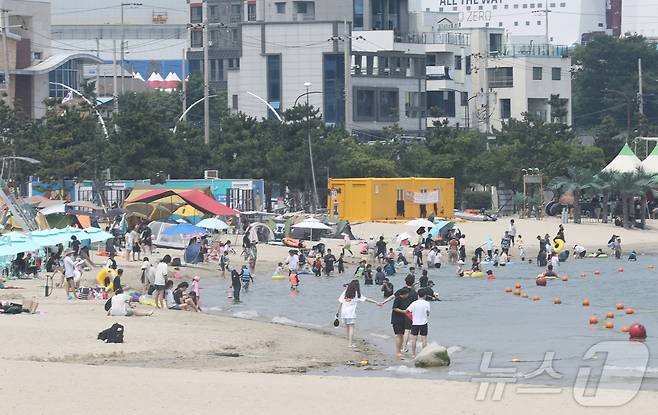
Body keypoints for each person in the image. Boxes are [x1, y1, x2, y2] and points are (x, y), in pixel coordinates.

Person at [336, 280, 380, 347]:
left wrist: (337, 312)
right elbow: (366, 299)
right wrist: (376, 302)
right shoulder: (356, 294)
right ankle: (350, 344)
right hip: (350, 313)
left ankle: (349, 343)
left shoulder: (345, 292)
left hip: (343, 312)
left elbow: (340, 302)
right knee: (351, 327)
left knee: (347, 327)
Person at [382, 275, 418, 356]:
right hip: (409, 314)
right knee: (407, 331)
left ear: (405, 281)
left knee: (399, 334)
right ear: (413, 283)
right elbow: (416, 305)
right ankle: (404, 347)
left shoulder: (400, 291)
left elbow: (392, 297)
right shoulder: (414, 293)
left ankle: (401, 349)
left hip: (399, 315)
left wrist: (383, 302)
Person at [406, 288, 431, 358]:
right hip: (424, 322)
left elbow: (407, 311)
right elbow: (428, 313)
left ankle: (413, 354)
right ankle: (424, 354)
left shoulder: (414, 303)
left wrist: (411, 317)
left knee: (414, 339)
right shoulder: (427, 303)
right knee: (424, 339)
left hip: (415, 323)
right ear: (425, 295)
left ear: (418, 295)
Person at [389, 287, 410, 360]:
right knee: (399, 335)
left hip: (403, 319)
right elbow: (394, 308)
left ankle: (400, 351)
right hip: (396, 319)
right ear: (404, 294)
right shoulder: (398, 298)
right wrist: (403, 311)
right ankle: (397, 352)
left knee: (402, 335)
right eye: (407, 294)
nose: (408, 295)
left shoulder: (406, 299)